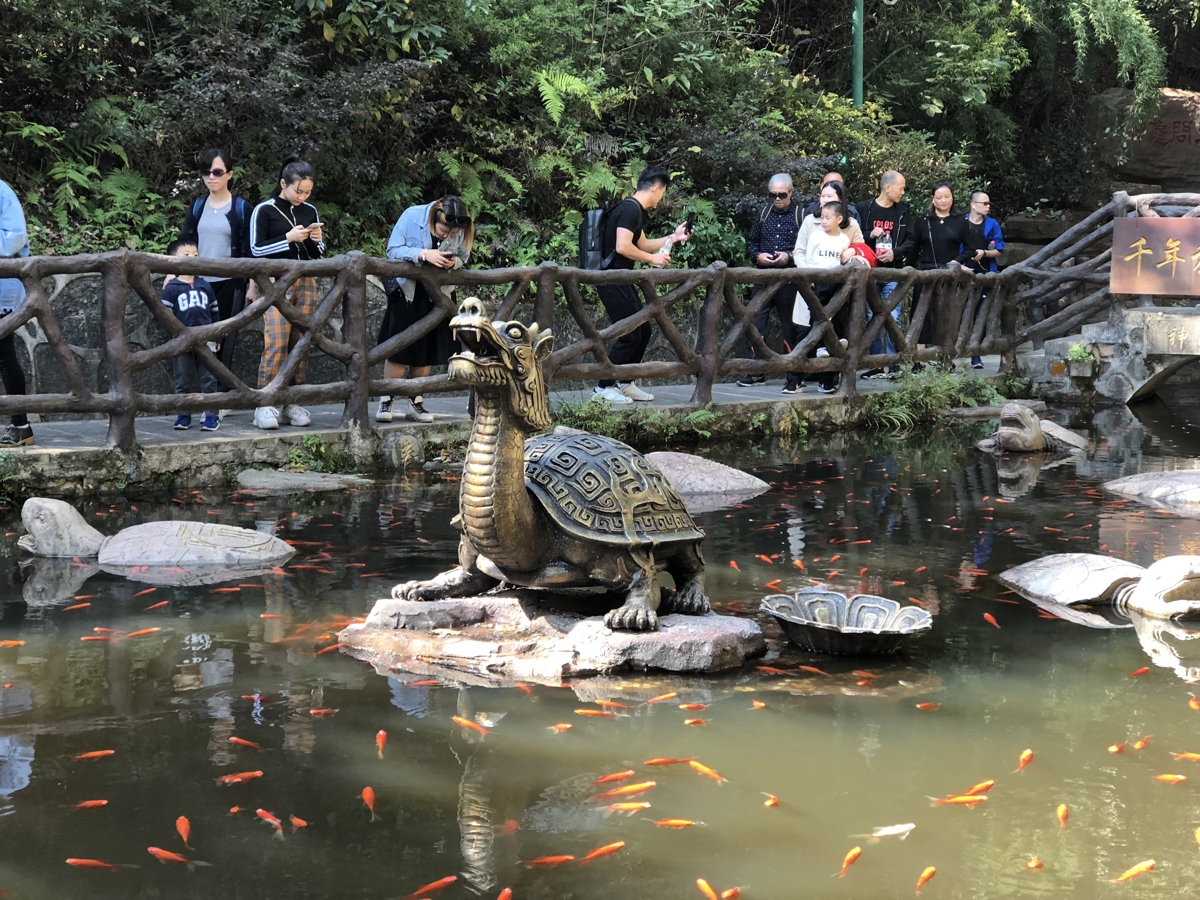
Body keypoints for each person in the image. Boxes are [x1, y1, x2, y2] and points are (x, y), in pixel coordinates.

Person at [592, 166, 691, 405]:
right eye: (663, 192)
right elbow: (623, 247)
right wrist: (653, 260)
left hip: (621, 278)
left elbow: (643, 244)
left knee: (643, 330)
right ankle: (602, 388)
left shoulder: (633, 209)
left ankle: (625, 382)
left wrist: (673, 238)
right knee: (628, 334)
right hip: (611, 279)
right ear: (656, 188)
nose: (661, 197)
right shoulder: (629, 209)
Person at [377, 196, 473, 423]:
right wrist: (422, 254)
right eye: (444, 230)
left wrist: (453, 263)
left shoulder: (459, 227)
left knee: (425, 351)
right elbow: (393, 249)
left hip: (438, 296)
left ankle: (416, 402)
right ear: (435, 217)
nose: (447, 235)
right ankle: (386, 400)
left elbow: (463, 256)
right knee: (398, 349)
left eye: (453, 233)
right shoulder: (412, 215)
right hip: (407, 292)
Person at [249, 157, 324, 431]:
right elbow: (255, 250)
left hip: (306, 279)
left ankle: (293, 399)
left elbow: (318, 253)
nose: (302, 197)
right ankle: (265, 402)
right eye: (298, 191)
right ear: (283, 184)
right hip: (276, 282)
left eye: (307, 192)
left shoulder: (310, 211)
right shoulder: (264, 210)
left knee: (302, 341)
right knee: (277, 341)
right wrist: (288, 239)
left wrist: (317, 242)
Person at [178, 148, 257, 382]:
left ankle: (222, 395)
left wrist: (252, 284)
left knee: (224, 339)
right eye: (206, 172)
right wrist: (176, 273)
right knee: (197, 338)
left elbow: (249, 250)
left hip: (230, 284)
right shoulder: (198, 206)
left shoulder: (241, 208)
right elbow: (185, 240)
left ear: (229, 174)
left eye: (217, 172)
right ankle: (199, 395)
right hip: (199, 284)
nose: (211, 177)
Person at [737, 174, 803, 391]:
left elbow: (806, 248)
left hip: (789, 280)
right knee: (755, 323)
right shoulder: (764, 214)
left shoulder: (801, 216)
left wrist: (789, 256)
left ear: (791, 193)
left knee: (790, 326)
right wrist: (758, 256)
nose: (777, 199)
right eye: (772, 195)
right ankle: (756, 371)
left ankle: (793, 372)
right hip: (763, 278)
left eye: (781, 195)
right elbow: (751, 242)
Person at [793, 201, 865, 393]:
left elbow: (845, 260)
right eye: (822, 218)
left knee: (837, 317)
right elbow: (807, 257)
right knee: (817, 318)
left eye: (827, 218)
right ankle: (817, 350)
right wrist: (809, 276)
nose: (823, 221)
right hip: (818, 282)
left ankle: (830, 366)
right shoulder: (815, 236)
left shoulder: (843, 240)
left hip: (837, 283)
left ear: (839, 219)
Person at [857, 170, 914, 378]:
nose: (903, 192)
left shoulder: (903, 212)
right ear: (887, 187)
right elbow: (853, 237)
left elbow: (910, 241)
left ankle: (895, 363)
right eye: (901, 187)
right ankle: (877, 364)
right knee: (872, 317)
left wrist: (894, 253)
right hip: (870, 272)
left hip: (893, 271)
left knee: (893, 316)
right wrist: (869, 234)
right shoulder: (864, 209)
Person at [161, 240, 221, 432]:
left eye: (195, 255)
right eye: (186, 255)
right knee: (182, 379)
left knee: (209, 378)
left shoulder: (205, 285)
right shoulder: (172, 288)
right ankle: (183, 414)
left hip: (206, 339)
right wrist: (174, 339)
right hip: (182, 341)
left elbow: (215, 312)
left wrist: (217, 336)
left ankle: (212, 415)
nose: (192, 259)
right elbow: (165, 317)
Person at [909, 181, 970, 367]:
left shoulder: (960, 221)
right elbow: (914, 249)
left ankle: (947, 358)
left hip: (949, 274)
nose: (943, 201)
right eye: (939, 197)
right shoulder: (923, 221)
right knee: (921, 314)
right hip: (926, 273)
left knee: (947, 315)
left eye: (947, 197)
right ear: (932, 199)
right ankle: (918, 359)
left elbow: (970, 248)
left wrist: (957, 261)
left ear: (952, 197)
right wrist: (909, 273)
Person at [0, 181, 33, 447]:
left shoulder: (2, 192)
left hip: (2, 290)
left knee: (5, 357)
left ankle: (21, 425)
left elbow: (15, 237)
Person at [961, 191, 1005, 369]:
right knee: (962, 314)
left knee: (981, 314)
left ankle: (976, 355)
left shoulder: (992, 224)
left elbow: (999, 249)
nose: (988, 206)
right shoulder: (961, 223)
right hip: (964, 275)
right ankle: (952, 355)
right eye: (984, 203)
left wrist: (985, 253)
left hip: (986, 276)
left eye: (988, 203)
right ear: (973, 204)